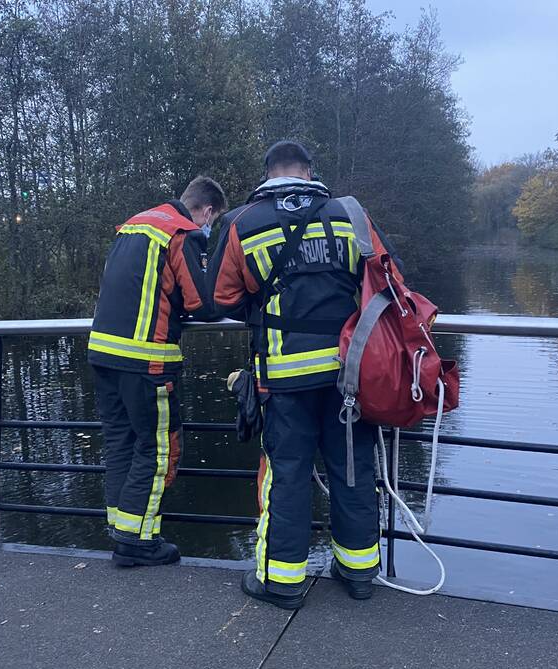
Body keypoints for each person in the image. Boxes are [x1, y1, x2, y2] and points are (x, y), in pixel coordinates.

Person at [208, 141, 398, 608]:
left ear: (267, 173)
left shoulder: (240, 222)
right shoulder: (349, 214)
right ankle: (358, 574)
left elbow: (220, 298)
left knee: (287, 474)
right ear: (310, 171)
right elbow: (386, 280)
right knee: (353, 468)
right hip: (349, 374)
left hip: (284, 375)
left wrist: (264, 305)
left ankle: (283, 583)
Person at [88, 176, 227, 567]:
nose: (208, 228)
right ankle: (137, 542)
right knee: (157, 448)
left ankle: (121, 529)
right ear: (208, 211)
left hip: (103, 353)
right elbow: (202, 301)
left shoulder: (136, 223)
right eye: (211, 222)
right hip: (146, 360)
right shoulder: (183, 232)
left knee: (120, 444)